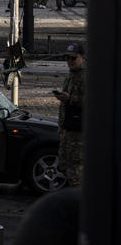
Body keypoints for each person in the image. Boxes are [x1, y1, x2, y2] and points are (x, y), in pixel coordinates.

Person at [53, 43, 84, 187]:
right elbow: (64, 106)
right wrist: (61, 126)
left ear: (83, 58)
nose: (69, 61)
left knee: (76, 171)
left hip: (80, 132)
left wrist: (70, 98)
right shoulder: (71, 75)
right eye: (67, 58)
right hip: (68, 129)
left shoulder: (86, 77)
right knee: (64, 165)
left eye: (73, 58)